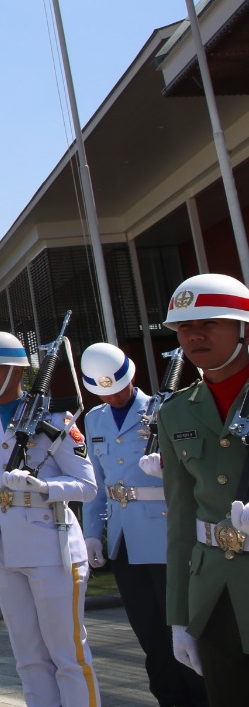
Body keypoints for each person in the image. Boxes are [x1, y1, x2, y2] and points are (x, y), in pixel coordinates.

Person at [0, 330, 100, 707]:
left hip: (52, 547)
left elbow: (87, 485)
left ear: (16, 370)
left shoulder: (57, 419)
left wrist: (45, 486)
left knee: (68, 657)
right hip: (4, 550)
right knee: (28, 658)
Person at [80, 342, 207, 707]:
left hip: (167, 535)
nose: (114, 396)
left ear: (130, 377)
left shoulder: (165, 408)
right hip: (124, 539)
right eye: (105, 391)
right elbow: (98, 482)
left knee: (181, 633)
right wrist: (92, 532)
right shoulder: (95, 419)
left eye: (117, 387)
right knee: (150, 637)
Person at [152, 273, 249, 705]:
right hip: (214, 594)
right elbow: (180, 519)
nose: (195, 335)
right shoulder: (175, 413)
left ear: (242, 328)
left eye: (209, 322)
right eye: (185, 327)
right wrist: (178, 616)